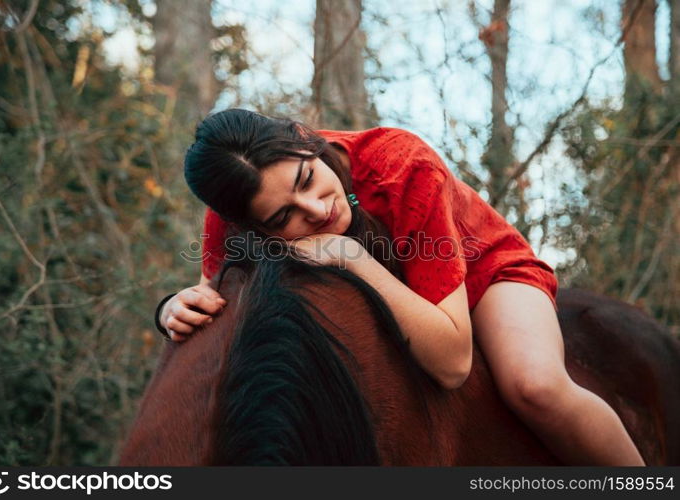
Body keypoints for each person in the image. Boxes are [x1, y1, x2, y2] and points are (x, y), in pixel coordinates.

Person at [155, 108, 645, 465]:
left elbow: (453, 364)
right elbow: (212, 298)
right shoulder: (235, 211)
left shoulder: (401, 163)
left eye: (307, 178)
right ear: (252, 226)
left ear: (304, 138)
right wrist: (171, 309)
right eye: (284, 217)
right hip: (398, 289)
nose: (316, 210)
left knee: (535, 386)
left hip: (484, 271)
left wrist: (352, 257)